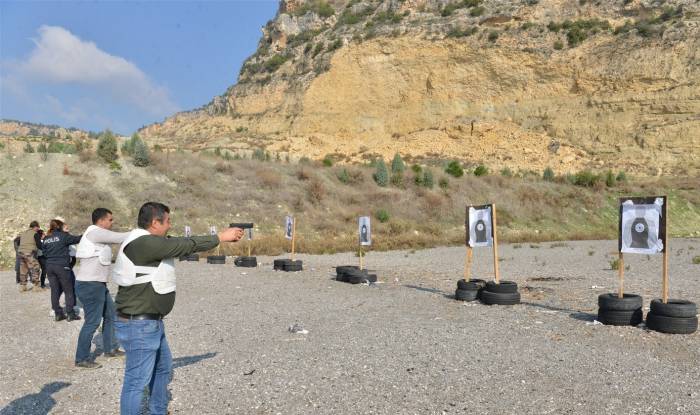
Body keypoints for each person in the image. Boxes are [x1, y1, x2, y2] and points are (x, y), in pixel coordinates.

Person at [113, 202, 244, 415]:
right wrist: (220, 237)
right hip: (140, 324)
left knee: (163, 369)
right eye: (167, 221)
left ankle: (158, 411)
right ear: (155, 223)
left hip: (149, 322)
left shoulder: (147, 241)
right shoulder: (144, 244)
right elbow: (185, 245)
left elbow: (180, 242)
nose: (170, 225)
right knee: (136, 383)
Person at [74, 208, 129, 369]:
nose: (112, 223)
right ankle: (81, 358)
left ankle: (110, 349)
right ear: (101, 220)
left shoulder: (97, 234)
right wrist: (142, 231)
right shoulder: (95, 233)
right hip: (90, 285)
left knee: (111, 314)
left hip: (98, 285)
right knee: (92, 322)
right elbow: (120, 237)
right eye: (110, 220)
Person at [42, 219, 82, 321]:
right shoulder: (63, 236)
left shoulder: (46, 238)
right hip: (62, 266)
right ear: (59, 227)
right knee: (68, 290)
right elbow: (77, 239)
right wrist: (88, 234)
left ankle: (58, 314)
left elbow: (44, 253)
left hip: (49, 267)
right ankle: (70, 313)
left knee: (54, 291)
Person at [17, 221, 43, 292]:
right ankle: (36, 286)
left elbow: (18, 242)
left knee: (23, 269)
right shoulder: (35, 233)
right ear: (36, 227)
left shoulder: (23, 233)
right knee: (36, 267)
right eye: (38, 227)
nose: (38, 229)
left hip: (20, 252)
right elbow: (39, 245)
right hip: (29, 252)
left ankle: (23, 286)